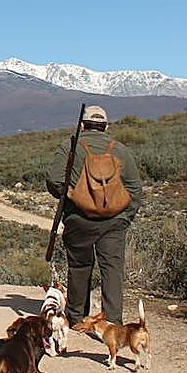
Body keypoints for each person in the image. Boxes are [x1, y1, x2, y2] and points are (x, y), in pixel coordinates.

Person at [46, 105, 142, 326]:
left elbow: (54, 180)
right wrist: (125, 216)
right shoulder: (120, 149)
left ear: (82, 125)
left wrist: (71, 197)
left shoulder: (71, 146)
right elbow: (135, 188)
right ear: (106, 127)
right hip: (114, 221)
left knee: (79, 267)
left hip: (79, 220)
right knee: (113, 270)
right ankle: (113, 322)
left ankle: (77, 318)